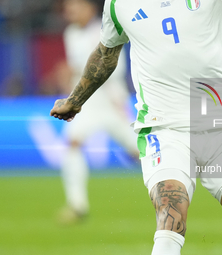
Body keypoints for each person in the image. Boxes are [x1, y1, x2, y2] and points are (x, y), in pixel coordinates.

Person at [50, 0, 222, 254]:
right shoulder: (118, 4)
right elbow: (106, 54)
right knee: (171, 219)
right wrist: (74, 101)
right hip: (164, 128)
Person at [58, 0, 139, 224]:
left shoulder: (104, 31)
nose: (70, 12)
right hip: (88, 104)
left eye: (75, 7)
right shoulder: (71, 34)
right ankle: (77, 205)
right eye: (68, 8)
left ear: (90, 9)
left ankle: (176, 186)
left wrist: (118, 103)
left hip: (111, 102)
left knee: (140, 154)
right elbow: (78, 68)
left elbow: (113, 67)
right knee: (73, 143)